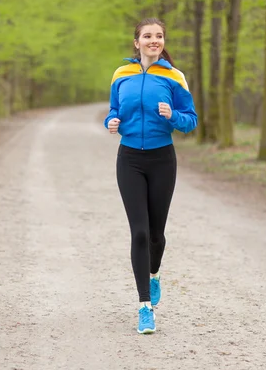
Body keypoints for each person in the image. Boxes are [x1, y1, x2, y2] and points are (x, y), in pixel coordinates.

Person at [104, 18, 198, 334]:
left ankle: (154, 274)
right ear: (137, 42)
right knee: (140, 233)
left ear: (162, 42)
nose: (153, 40)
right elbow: (114, 110)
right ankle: (145, 307)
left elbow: (191, 121)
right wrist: (112, 121)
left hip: (162, 160)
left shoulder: (173, 77)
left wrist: (174, 116)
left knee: (157, 234)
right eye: (147, 36)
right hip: (129, 159)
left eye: (158, 36)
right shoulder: (121, 75)